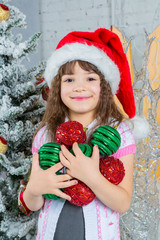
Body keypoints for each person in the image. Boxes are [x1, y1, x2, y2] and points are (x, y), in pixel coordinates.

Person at [19, 28, 138, 240]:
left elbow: (123, 203)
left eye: (90, 79)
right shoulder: (45, 135)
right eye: (69, 80)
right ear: (57, 87)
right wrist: (34, 190)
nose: (79, 87)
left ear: (105, 86)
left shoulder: (119, 133)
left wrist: (91, 176)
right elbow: (32, 204)